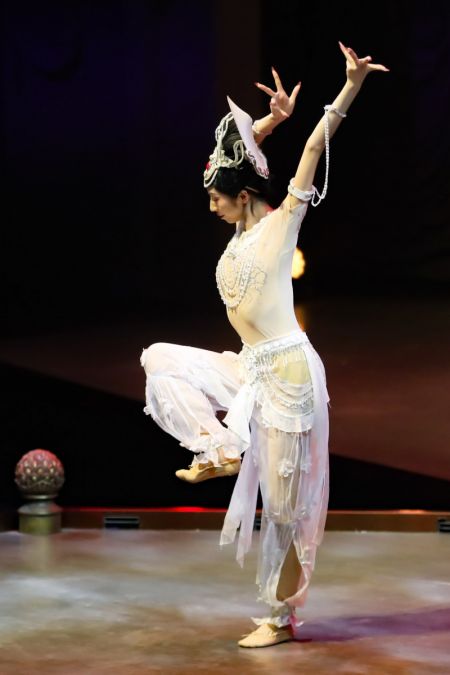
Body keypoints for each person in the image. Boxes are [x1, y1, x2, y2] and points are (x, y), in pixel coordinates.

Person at [141, 42, 388, 648]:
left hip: (290, 374)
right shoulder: (236, 236)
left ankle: (279, 618)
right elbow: (237, 155)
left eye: (216, 196)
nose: (211, 205)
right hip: (252, 370)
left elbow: (309, 152)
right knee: (159, 358)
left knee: (283, 509)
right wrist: (268, 120)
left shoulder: (281, 227)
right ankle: (217, 446)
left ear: (243, 196)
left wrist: (350, 85)